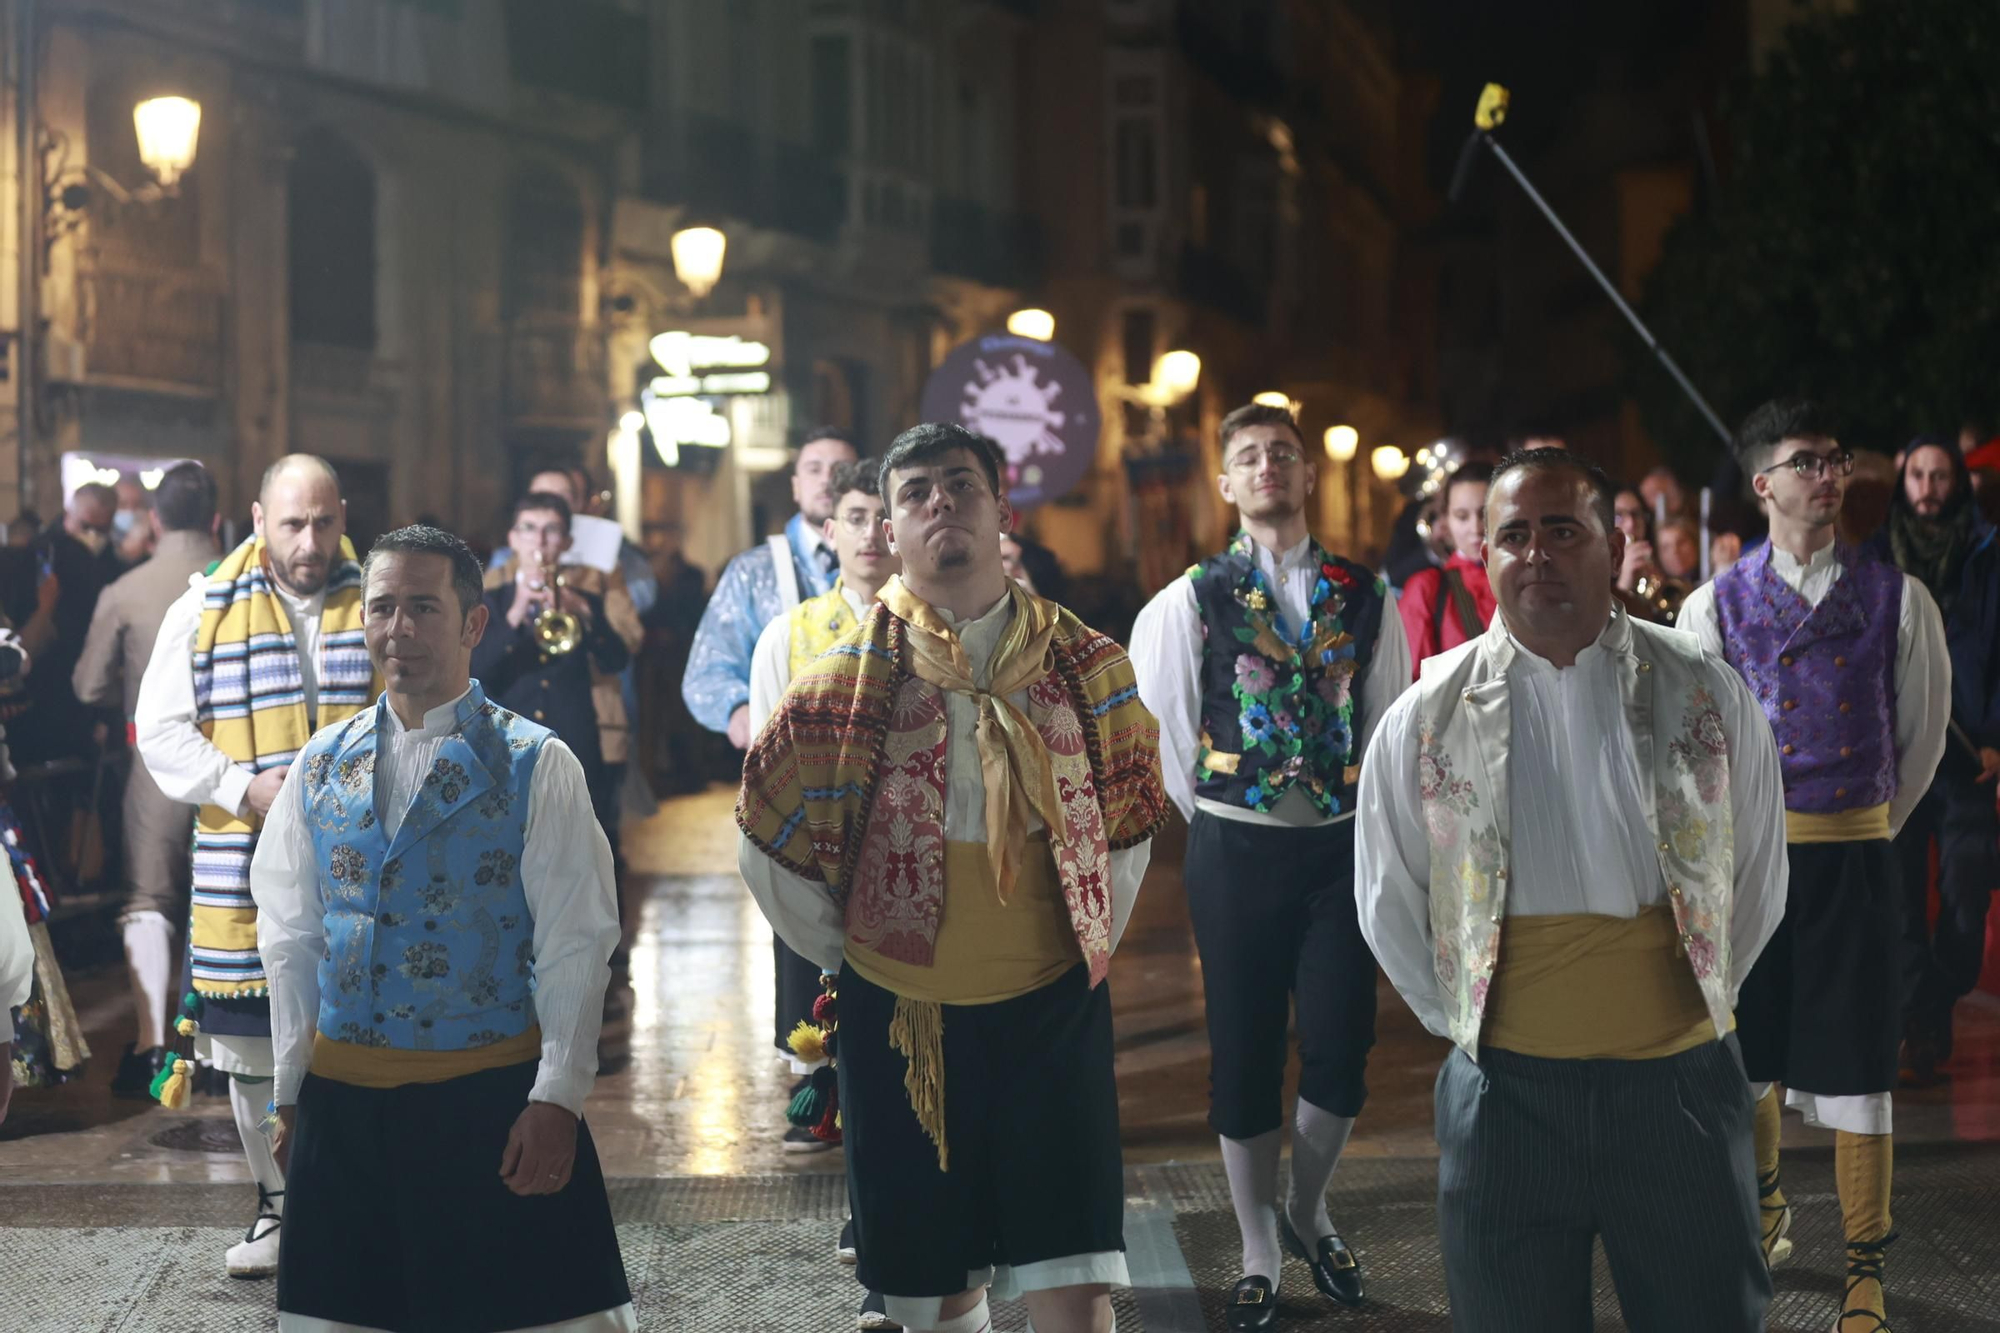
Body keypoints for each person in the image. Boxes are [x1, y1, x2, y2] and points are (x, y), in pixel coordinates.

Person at [738, 422, 1169, 1333]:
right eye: (917, 491)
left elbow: (1130, 822)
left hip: (1052, 1006)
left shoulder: (1090, 667)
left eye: (962, 484)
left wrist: (1077, 935)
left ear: (1001, 507)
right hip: (903, 1016)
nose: (942, 503)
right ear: (888, 528)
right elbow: (771, 848)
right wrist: (867, 953)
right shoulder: (837, 684)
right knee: (929, 1288)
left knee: (1073, 1270)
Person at [1355, 448, 1786, 1330]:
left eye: (1563, 529)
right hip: (1504, 1095)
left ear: (1614, 541)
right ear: (1484, 557)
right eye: (1512, 535)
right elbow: (1389, 897)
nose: (1537, 554)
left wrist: (1682, 1008)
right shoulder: (1425, 714)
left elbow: (1757, 875)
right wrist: (1480, 1025)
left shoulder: (1702, 687)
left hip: (1680, 1090)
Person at [253, 525, 632, 1333]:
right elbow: (290, 937)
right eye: (382, 607)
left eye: (424, 607)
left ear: (473, 624)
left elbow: (576, 940)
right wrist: (291, 1093)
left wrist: (558, 1096)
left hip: (487, 1104)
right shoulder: (322, 762)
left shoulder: (537, 763)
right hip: (346, 1107)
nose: (400, 630)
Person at [1130, 403, 1410, 1328]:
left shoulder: (1366, 592)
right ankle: (1258, 1241)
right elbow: (1165, 728)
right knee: (1244, 1044)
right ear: (1226, 482)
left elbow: (1389, 717)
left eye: (1282, 454)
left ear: (1305, 472)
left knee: (1341, 1044)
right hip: (1236, 842)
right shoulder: (1192, 595)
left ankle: (1307, 1205)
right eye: (1248, 456)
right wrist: (1228, 811)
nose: (1267, 468)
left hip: (1337, 843)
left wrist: (1351, 814)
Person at [1678, 398, 1949, 1333]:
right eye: (1806, 462)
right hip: (1757, 865)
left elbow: (1918, 745)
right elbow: (1698, 751)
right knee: (1754, 1058)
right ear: (1764, 485)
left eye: (1835, 460)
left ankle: (1865, 1265)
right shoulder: (1711, 605)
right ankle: (1761, 1213)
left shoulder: (1898, 598)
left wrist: (1863, 821)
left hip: (1858, 861)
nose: (1828, 475)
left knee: (1863, 1066)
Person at [135, 454, 382, 1280]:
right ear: (254, 517)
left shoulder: (378, 594)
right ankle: (279, 1203)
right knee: (250, 1047)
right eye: (291, 523)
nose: (310, 541)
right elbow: (160, 728)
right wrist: (243, 786)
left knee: (356, 1033)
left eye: (323, 521)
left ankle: (355, 1202)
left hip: (361, 857)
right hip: (245, 853)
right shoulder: (204, 604)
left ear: (342, 512)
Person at [746, 457, 900, 1327]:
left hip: (916, 878)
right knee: (845, 1060)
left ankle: (898, 1229)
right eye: (855, 515)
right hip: (823, 882)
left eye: (887, 514)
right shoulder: (791, 634)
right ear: (830, 531)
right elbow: (767, 770)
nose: (873, 531)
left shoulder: (933, 625)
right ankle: (872, 1213)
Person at [685, 425, 862, 1146]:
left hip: (871, 782)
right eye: (814, 469)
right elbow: (709, 664)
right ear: (794, 486)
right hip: (793, 783)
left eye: (841, 469)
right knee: (798, 922)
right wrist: (739, 717)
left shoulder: (889, 559)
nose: (826, 478)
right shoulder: (760, 572)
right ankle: (814, 1074)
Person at [72, 462, 222, 1098]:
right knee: (230, 897)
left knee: (149, 902)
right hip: (238, 764)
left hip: (154, 762)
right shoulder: (243, 583)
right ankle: (220, 1049)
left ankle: (152, 1044)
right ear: (218, 518)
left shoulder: (127, 590)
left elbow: (88, 685)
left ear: (156, 519)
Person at [1865, 434, 2000, 1084]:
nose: (1927, 486)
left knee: (1967, 897)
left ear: (1958, 482)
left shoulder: (1987, 553)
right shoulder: (1873, 556)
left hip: (1970, 753)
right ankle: (1917, 1019)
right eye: (1917, 473)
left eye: (1940, 474)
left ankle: (1932, 1000)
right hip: (1892, 752)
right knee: (1898, 899)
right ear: (1903, 479)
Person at [473, 493, 632, 837]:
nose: (540, 541)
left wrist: (587, 614)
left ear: (567, 542)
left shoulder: (586, 601)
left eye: (551, 530)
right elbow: (477, 670)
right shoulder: (490, 603)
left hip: (573, 744)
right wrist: (515, 615)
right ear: (513, 538)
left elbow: (616, 660)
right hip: (506, 747)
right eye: (529, 529)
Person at [15, 482, 122, 764]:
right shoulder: (41, 554)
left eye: (102, 529)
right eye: (86, 525)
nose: (93, 536)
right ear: (68, 513)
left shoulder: (109, 560)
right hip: (45, 683)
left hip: (87, 684)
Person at [1398, 463, 1495, 673]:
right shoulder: (1426, 589)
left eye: (1485, 514)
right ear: (1445, 521)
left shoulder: (1529, 581)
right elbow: (1412, 686)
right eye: (1462, 516)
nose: (1476, 528)